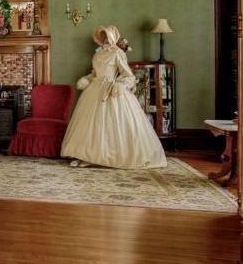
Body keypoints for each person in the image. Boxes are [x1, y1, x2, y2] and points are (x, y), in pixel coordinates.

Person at [61, 26, 167, 169]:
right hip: (95, 90)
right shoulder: (97, 54)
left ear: (112, 37)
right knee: (91, 124)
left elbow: (128, 75)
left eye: (107, 36)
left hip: (112, 91)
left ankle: (105, 157)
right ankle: (87, 155)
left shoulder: (118, 53)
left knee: (109, 125)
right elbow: (95, 73)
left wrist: (120, 85)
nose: (104, 39)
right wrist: (86, 79)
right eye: (102, 36)